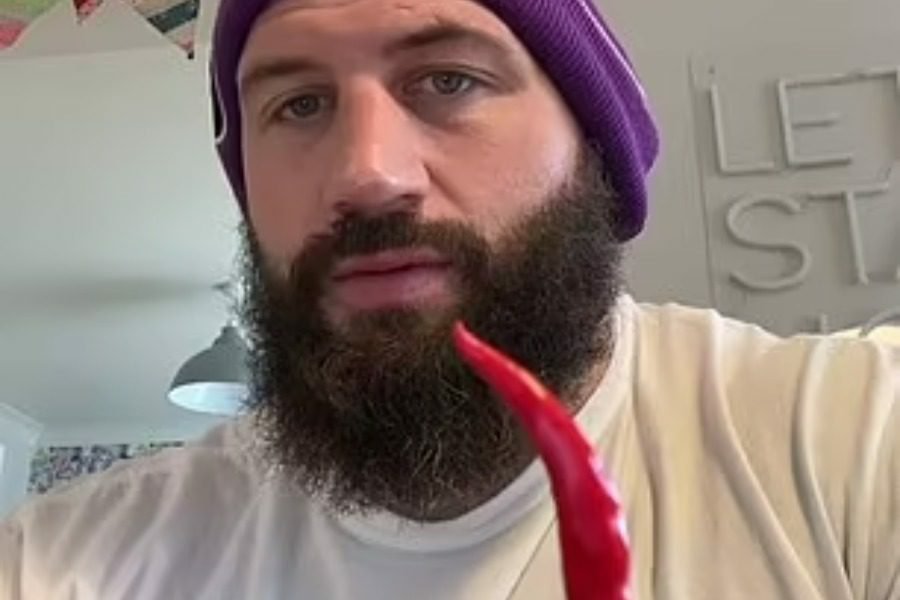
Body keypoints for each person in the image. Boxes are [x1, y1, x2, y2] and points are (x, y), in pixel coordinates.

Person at [2, 0, 898, 598]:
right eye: (301, 105)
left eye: (449, 80)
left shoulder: (852, 443)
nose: (366, 175)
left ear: (591, 147)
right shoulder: (64, 565)